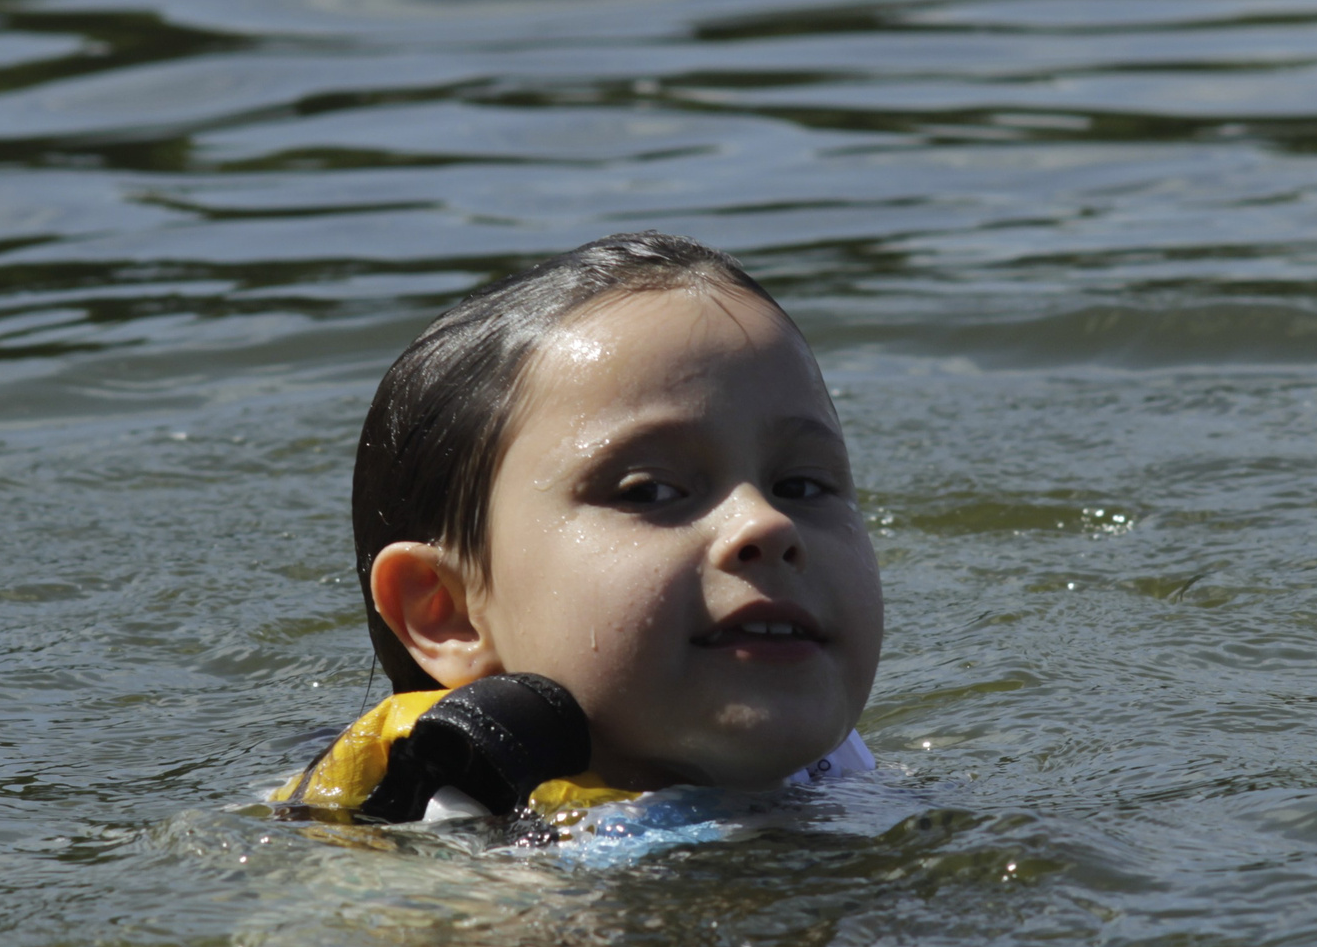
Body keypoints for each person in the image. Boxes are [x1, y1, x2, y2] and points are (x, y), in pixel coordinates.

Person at [272, 231, 882, 835]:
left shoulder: (837, 775)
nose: (767, 523)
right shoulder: (441, 840)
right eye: (650, 491)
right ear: (448, 611)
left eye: (802, 486)